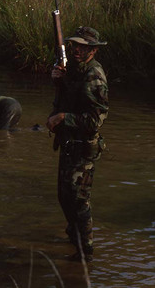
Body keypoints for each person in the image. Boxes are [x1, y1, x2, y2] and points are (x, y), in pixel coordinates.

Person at [46, 26, 108, 262]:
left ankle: (86, 253)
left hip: (84, 147)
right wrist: (58, 81)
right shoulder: (76, 70)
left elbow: (96, 120)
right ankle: (75, 236)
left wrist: (63, 118)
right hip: (69, 143)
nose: (76, 50)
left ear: (92, 50)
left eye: (81, 47)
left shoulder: (94, 76)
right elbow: (69, 98)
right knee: (64, 195)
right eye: (74, 46)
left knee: (80, 200)